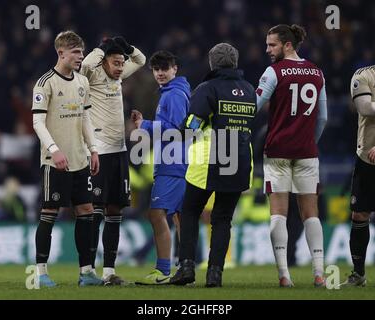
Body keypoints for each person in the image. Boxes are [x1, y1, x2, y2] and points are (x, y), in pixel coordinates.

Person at [169, 43, 257, 287]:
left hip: (209, 158)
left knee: (189, 212)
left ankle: (186, 267)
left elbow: (193, 123)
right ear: (235, 63)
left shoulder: (207, 88)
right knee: (223, 218)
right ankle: (215, 274)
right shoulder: (249, 89)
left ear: (212, 63)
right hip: (239, 158)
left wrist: (183, 132)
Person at [255, 24, 327, 287]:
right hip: (307, 152)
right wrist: (308, 141)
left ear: (287, 45)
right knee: (311, 214)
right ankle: (319, 273)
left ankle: (284, 275)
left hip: (277, 152)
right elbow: (323, 117)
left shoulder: (274, 72)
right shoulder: (317, 72)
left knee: (278, 214)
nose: (267, 50)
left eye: (272, 45)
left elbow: (255, 105)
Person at [32, 30, 103, 287]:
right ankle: (41, 273)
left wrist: (93, 149)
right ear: (61, 53)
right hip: (55, 161)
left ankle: (86, 273)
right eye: (75, 52)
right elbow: (37, 121)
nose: (80, 57)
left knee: (86, 211)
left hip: (80, 160)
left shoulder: (82, 82)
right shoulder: (45, 83)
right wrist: (54, 149)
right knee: (50, 211)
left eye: (82, 52)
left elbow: (85, 118)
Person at [80, 36, 146, 285]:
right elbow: (86, 65)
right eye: (115, 62)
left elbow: (140, 59)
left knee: (115, 211)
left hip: (119, 151)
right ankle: (87, 270)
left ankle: (109, 271)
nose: (120, 67)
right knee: (95, 211)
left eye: (121, 63)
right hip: (99, 151)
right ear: (104, 62)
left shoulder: (117, 76)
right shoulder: (93, 75)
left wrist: (127, 48)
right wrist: (102, 48)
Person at [131, 51, 190, 284]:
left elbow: (175, 130)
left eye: (165, 68)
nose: (160, 73)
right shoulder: (173, 92)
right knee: (178, 218)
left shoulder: (174, 94)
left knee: (157, 214)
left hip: (172, 163)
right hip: (175, 161)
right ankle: (185, 269)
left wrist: (143, 124)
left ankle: (163, 271)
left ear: (175, 69)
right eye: (156, 69)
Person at [341, 33, 375, 287]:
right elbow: (365, 108)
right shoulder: (363, 76)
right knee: (359, 214)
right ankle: (358, 274)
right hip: (367, 158)